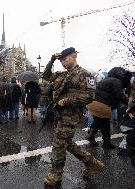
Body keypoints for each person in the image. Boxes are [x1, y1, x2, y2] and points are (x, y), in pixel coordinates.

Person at [42, 47, 104, 187]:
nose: (63, 62)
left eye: (65, 59)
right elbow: (46, 76)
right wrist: (51, 61)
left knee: (58, 145)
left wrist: (69, 101)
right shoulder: (63, 75)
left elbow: (90, 96)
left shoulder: (85, 74)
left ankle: (56, 175)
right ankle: (93, 163)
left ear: (74, 56)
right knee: (67, 144)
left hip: (70, 116)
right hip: (58, 115)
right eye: (61, 60)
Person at [87, 67, 131, 149]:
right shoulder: (116, 81)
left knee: (98, 122)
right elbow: (119, 95)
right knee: (105, 125)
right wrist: (129, 103)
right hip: (103, 105)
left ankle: (91, 135)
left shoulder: (106, 79)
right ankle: (106, 143)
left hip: (94, 103)